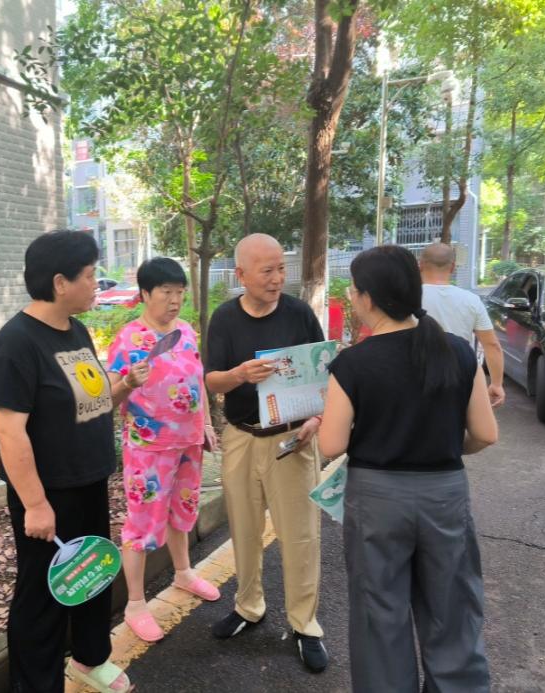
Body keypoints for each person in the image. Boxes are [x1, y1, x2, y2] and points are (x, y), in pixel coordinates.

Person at [317, 245, 499, 693]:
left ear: (368, 298)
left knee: (380, 613)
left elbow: (331, 444)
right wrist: (442, 446)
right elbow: (485, 434)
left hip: (377, 500)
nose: (353, 297)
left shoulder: (353, 364)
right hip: (445, 494)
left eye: (354, 290)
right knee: (452, 610)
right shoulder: (457, 351)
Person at [0, 231, 143, 693]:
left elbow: (91, 401)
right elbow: (8, 430)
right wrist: (35, 504)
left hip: (88, 479)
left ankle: (91, 660)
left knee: (91, 573)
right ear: (60, 283)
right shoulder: (15, 344)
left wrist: (126, 385)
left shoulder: (75, 331)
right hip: (48, 492)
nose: (97, 284)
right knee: (43, 594)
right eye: (90, 275)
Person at [205, 233, 329, 673]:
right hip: (241, 436)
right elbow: (211, 380)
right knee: (244, 529)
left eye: (281, 269)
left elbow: (323, 373)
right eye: (268, 271)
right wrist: (239, 374)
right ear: (241, 275)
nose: (278, 278)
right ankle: (248, 606)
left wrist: (317, 419)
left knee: (301, 534)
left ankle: (305, 623)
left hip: (294, 437)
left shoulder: (299, 314)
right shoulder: (225, 319)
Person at [105, 257, 221, 643]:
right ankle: (135, 603)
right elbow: (105, 399)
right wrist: (126, 384)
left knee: (182, 512)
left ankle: (184, 572)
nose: (175, 300)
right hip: (149, 449)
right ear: (144, 294)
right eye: (166, 292)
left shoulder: (185, 331)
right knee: (142, 524)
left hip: (189, 442)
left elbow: (197, 381)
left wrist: (206, 424)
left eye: (180, 293)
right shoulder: (127, 340)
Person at [419, 242, 506, 407]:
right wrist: (496, 384)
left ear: (420, 265)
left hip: (416, 376)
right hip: (459, 378)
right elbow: (491, 345)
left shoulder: (407, 298)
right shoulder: (471, 300)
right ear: (453, 267)